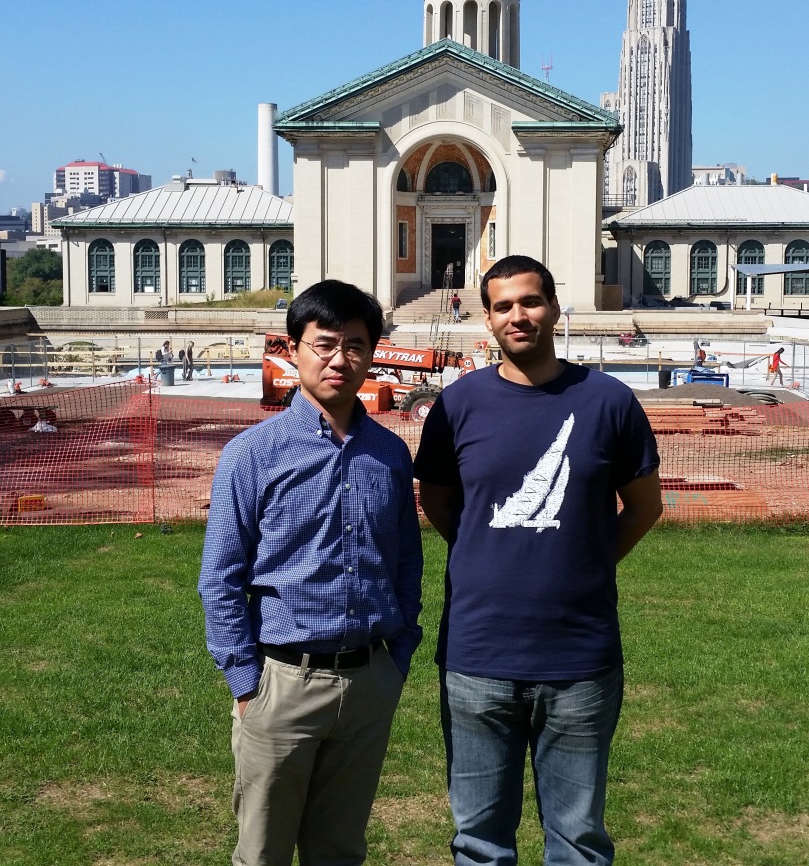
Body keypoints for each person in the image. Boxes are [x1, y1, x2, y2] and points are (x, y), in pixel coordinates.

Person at [415, 255, 663, 866]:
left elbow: (643, 507)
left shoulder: (609, 401)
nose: (517, 316)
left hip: (579, 658)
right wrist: (492, 550)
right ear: (487, 317)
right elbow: (440, 504)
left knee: (578, 841)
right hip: (478, 658)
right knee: (479, 843)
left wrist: (587, 559)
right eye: (503, 306)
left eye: (530, 301)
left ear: (553, 307)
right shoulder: (458, 406)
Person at [198, 279, 423, 866]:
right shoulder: (252, 453)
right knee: (263, 851)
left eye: (354, 345)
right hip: (281, 683)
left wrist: (397, 657)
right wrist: (247, 683)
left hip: (368, 680)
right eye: (323, 344)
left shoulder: (390, 454)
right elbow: (221, 575)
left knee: (340, 850)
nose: (339, 359)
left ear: (372, 352)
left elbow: (404, 562)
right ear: (292, 348)